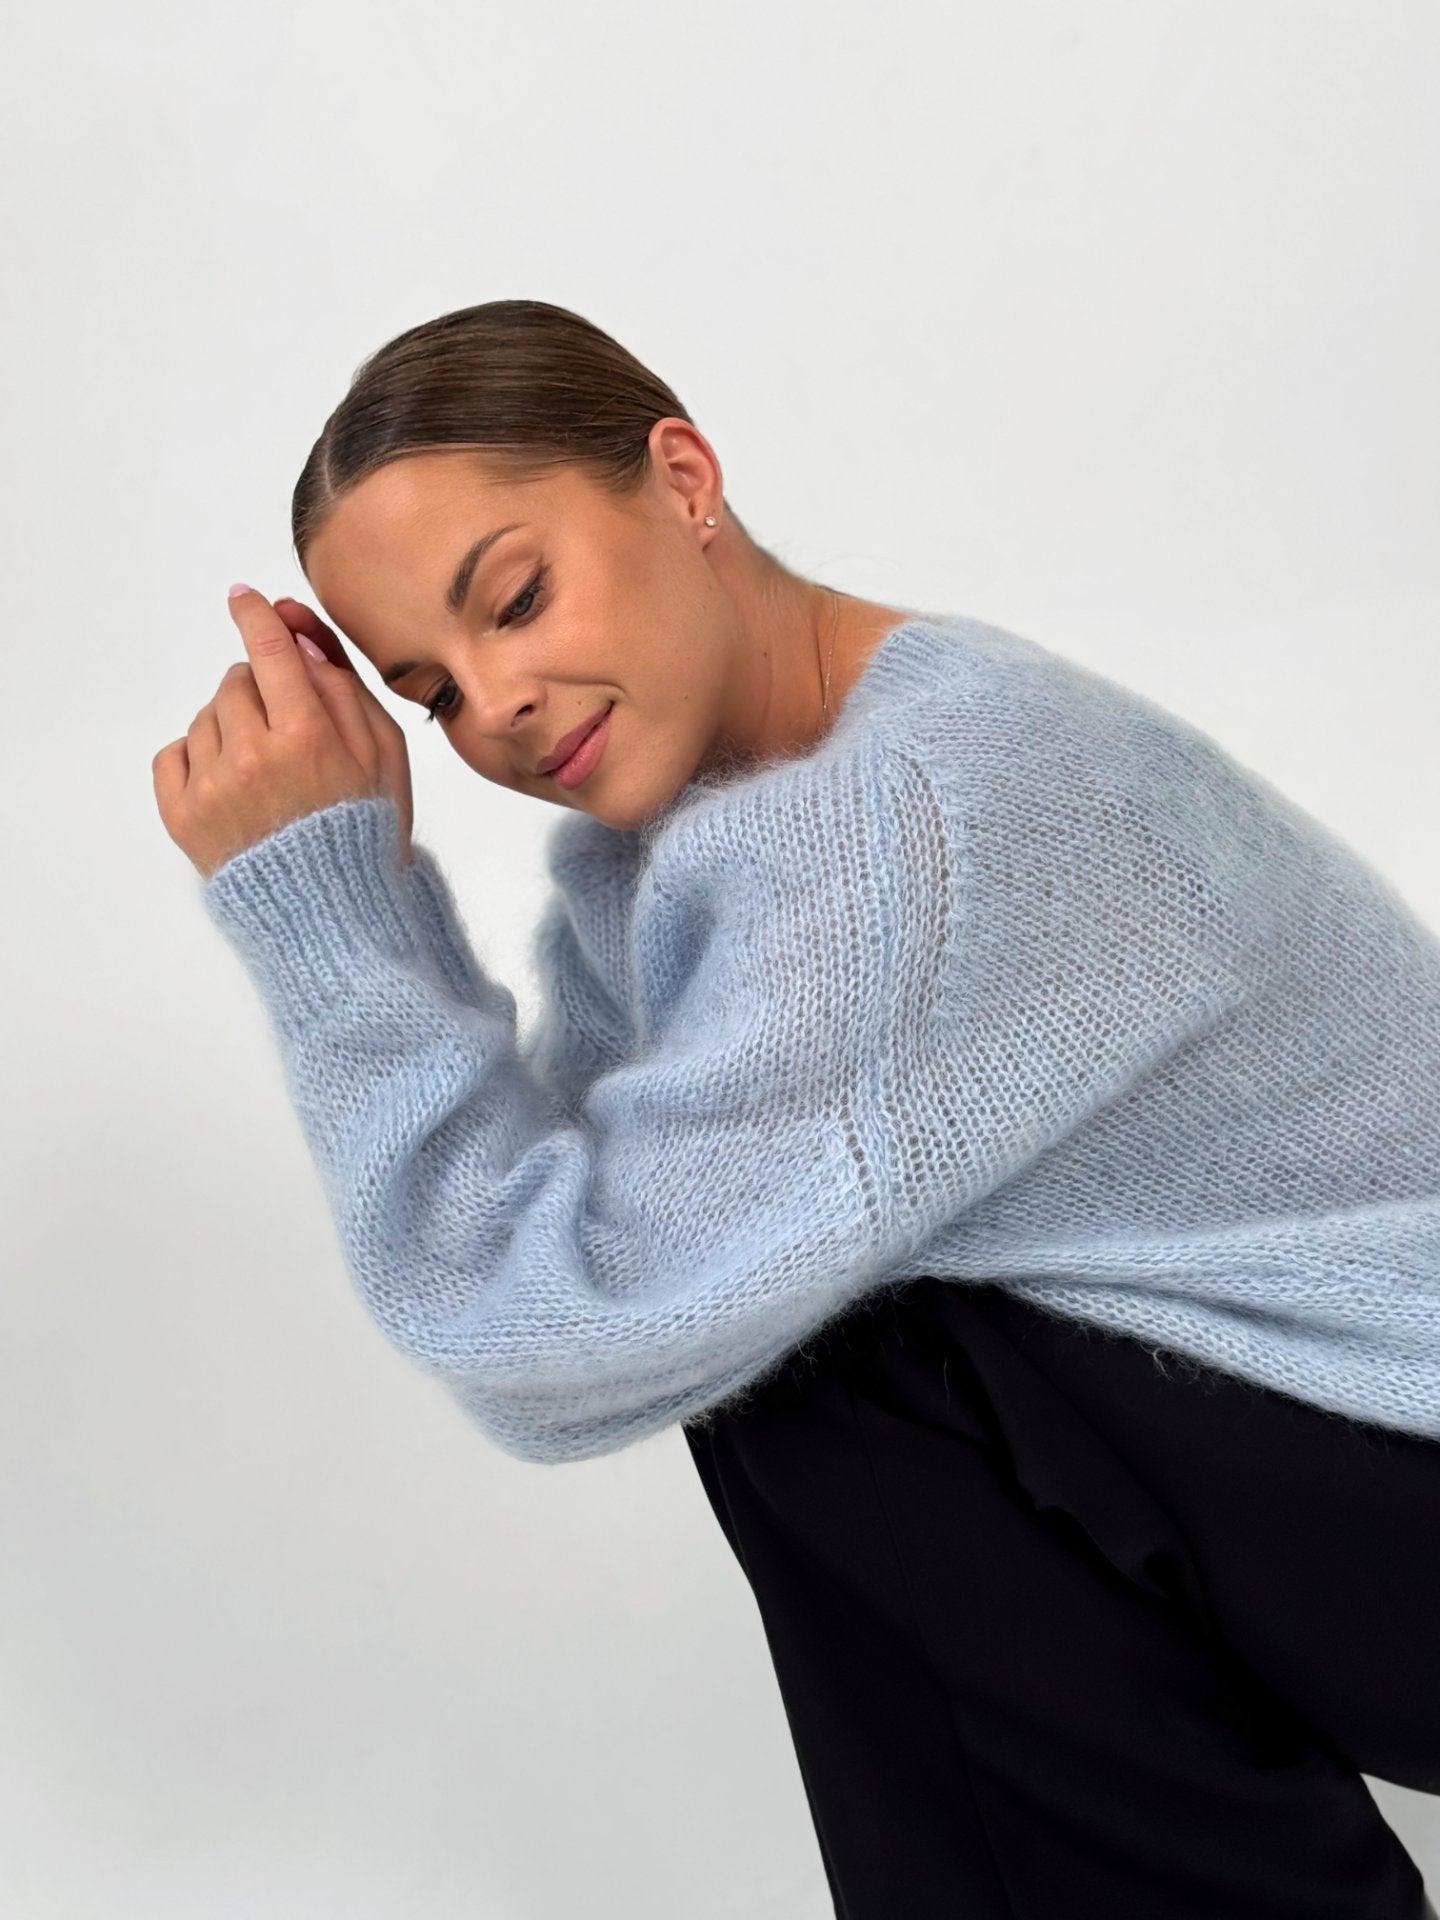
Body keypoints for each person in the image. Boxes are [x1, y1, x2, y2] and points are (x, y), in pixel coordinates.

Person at [153, 298, 1440, 1917]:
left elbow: (558, 1324)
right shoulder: (761, 804)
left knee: (831, 1356)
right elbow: (614, 1249)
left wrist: (329, 911)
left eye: (517, 598)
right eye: (431, 693)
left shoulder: (892, 836)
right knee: (791, 1306)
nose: (498, 706)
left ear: (683, 480)